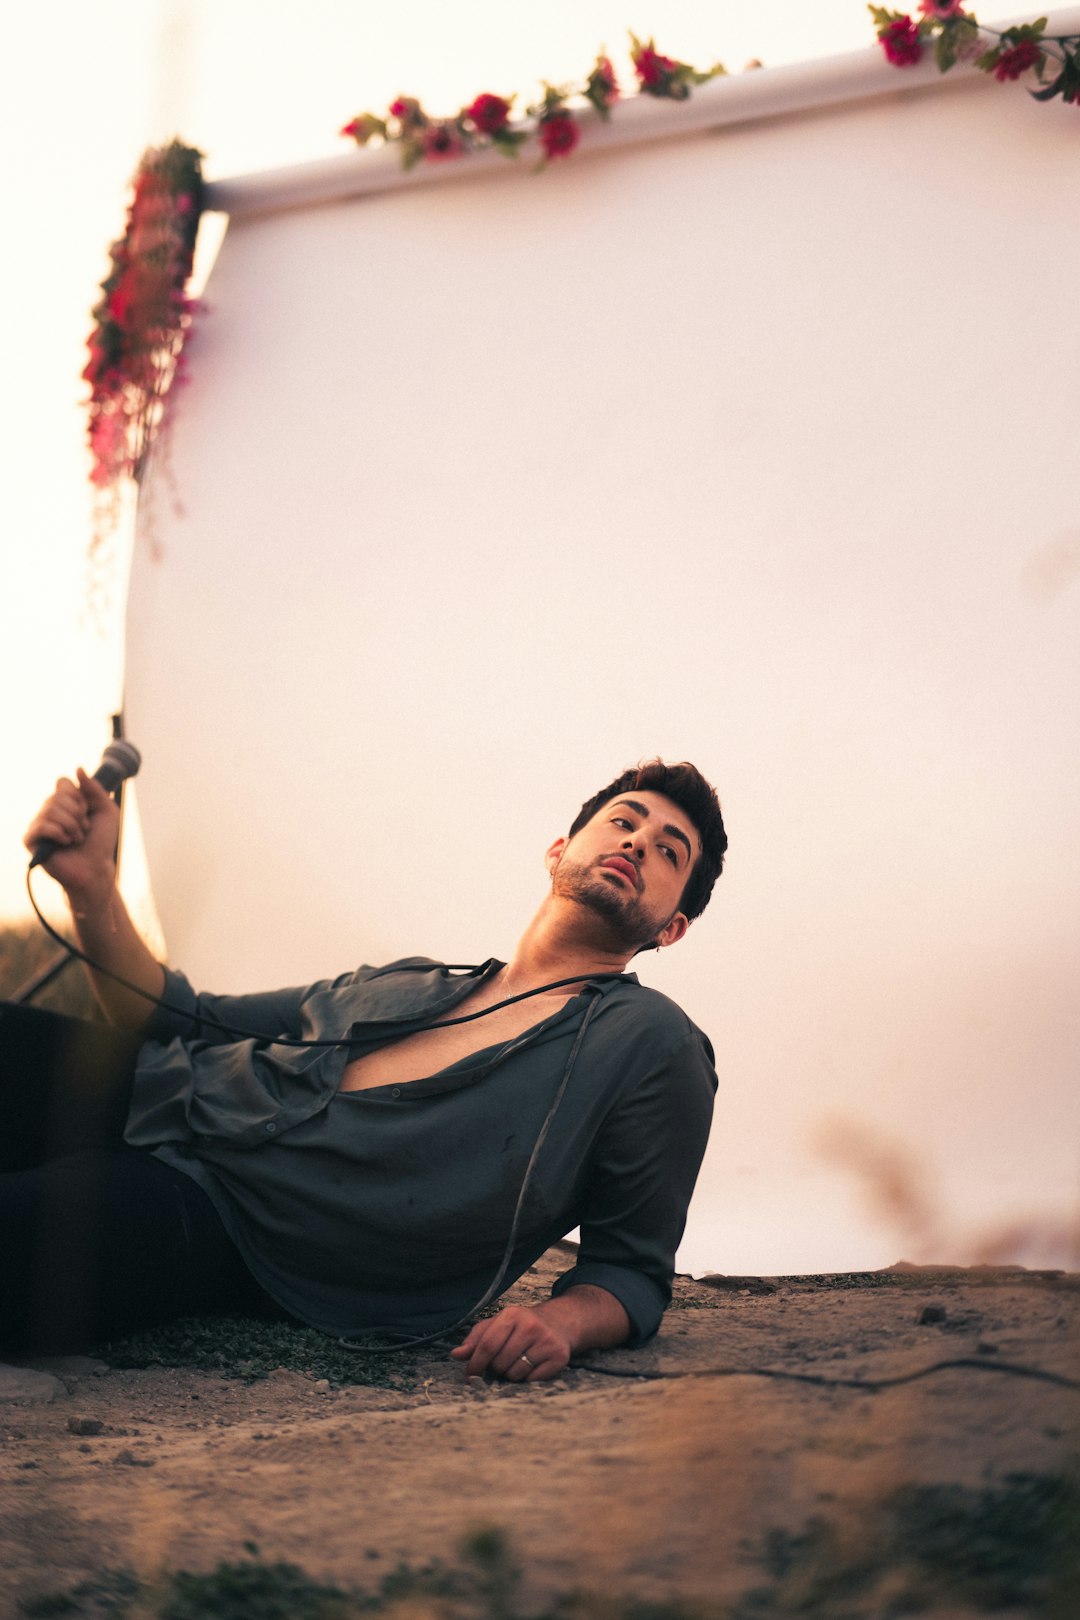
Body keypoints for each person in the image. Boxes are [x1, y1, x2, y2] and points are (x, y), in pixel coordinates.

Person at [5, 759, 726, 1382]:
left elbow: (630, 1271)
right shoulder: (411, 981)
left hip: (225, 1215)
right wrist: (92, 886)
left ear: (673, 929)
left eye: (670, 852)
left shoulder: (651, 1043)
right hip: (149, 1087)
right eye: (624, 821)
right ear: (559, 850)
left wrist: (562, 1322)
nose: (637, 841)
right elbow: (181, 1018)